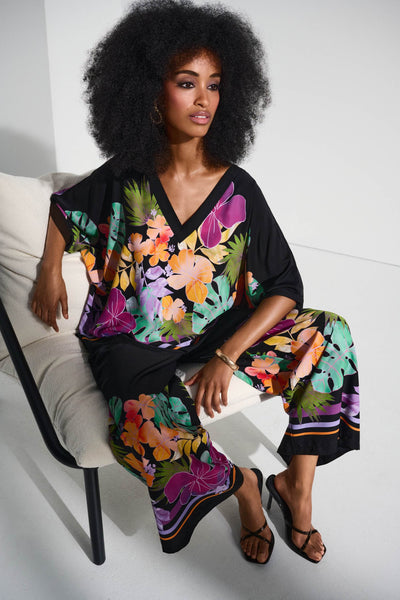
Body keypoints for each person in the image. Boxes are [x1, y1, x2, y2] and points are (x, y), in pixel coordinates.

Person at [31, 0, 360, 565]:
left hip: (217, 332)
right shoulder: (125, 177)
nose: (204, 99)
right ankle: (244, 486)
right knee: (144, 431)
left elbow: (285, 285)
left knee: (331, 335)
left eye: (214, 85)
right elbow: (65, 208)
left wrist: (227, 357)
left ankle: (296, 489)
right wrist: (47, 270)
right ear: (150, 93)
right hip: (132, 345)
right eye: (187, 83)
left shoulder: (238, 190)